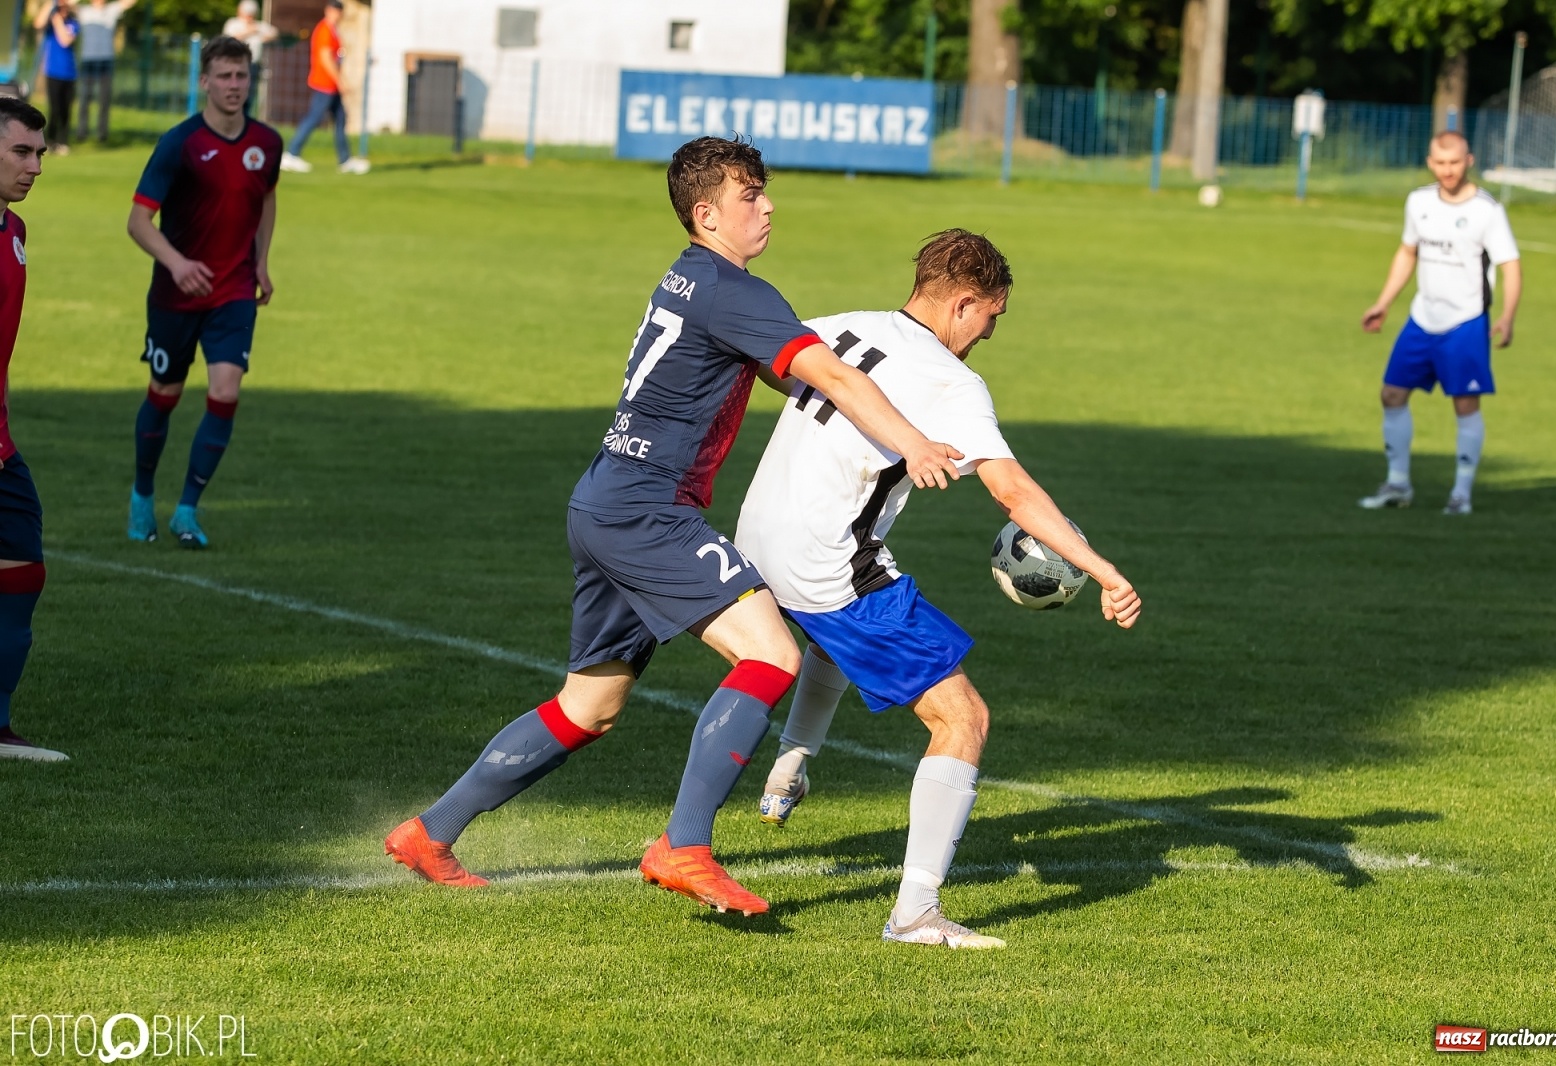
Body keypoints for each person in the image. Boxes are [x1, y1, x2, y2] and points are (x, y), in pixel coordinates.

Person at [383, 136, 964, 917]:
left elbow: (782, 371)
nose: (766, 206)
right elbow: (825, 373)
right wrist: (913, 440)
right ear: (706, 212)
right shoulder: (734, 288)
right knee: (771, 652)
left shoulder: (690, 277)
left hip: (603, 500)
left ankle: (430, 831)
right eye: (750, 195)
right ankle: (683, 846)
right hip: (646, 508)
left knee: (588, 706)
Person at [735, 229, 1142, 948]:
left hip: (755, 534)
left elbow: (771, 371)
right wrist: (1106, 571)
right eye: (992, 315)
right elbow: (1012, 492)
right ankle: (915, 914)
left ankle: (791, 764)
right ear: (963, 304)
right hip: (824, 557)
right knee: (963, 719)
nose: (990, 332)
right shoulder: (953, 382)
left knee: (834, 633)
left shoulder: (843, 326)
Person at [124, 35, 281, 549]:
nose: (235, 86)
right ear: (205, 82)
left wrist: (260, 260)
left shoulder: (267, 143)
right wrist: (177, 262)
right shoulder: (180, 143)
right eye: (225, 76)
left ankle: (187, 511)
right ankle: (143, 493)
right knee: (164, 396)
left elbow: (266, 200)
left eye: (242, 76)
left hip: (233, 289)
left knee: (226, 392)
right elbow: (138, 221)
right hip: (175, 293)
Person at [1359, 130, 1521, 516]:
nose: (1447, 170)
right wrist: (1384, 302)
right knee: (1391, 395)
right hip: (1421, 317)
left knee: (1465, 405)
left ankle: (1461, 494)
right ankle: (1397, 484)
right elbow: (1407, 251)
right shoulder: (1418, 202)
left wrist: (1508, 317)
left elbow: (1510, 265)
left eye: (1454, 162)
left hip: (1465, 322)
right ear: (1430, 163)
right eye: (1440, 163)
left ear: (1469, 161)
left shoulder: (1486, 211)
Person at [0, 98, 65, 763]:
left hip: (1, 445)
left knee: (22, 571)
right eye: (21, 152)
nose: (36, 166)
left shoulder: (14, 231)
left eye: (40, 153)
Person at [280, 1, 367, 175]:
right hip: (324, 83)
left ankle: (345, 159)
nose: (337, 15)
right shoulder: (325, 30)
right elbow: (326, 58)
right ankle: (291, 154)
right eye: (334, 11)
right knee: (314, 118)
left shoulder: (334, 30)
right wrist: (341, 81)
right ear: (328, 11)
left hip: (331, 84)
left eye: (339, 12)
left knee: (341, 119)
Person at [74, 0, 138, 144]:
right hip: (88, 60)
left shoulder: (112, 9)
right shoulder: (84, 10)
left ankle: (102, 134)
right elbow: (66, 5)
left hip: (106, 60)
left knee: (104, 99)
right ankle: (81, 133)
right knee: (85, 98)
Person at [33, 0, 78, 154]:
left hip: (69, 73)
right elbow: (37, 23)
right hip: (52, 71)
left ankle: (63, 141)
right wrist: (50, 4)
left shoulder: (72, 23)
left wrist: (58, 20)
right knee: (54, 108)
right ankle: (50, 140)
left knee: (66, 109)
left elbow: (65, 40)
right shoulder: (49, 24)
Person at [221, 0, 279, 116]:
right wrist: (249, 32)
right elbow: (229, 38)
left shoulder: (259, 26)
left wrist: (262, 35)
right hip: (234, 64)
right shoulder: (233, 24)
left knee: (249, 94)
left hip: (252, 65)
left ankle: (243, 117)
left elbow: (274, 34)